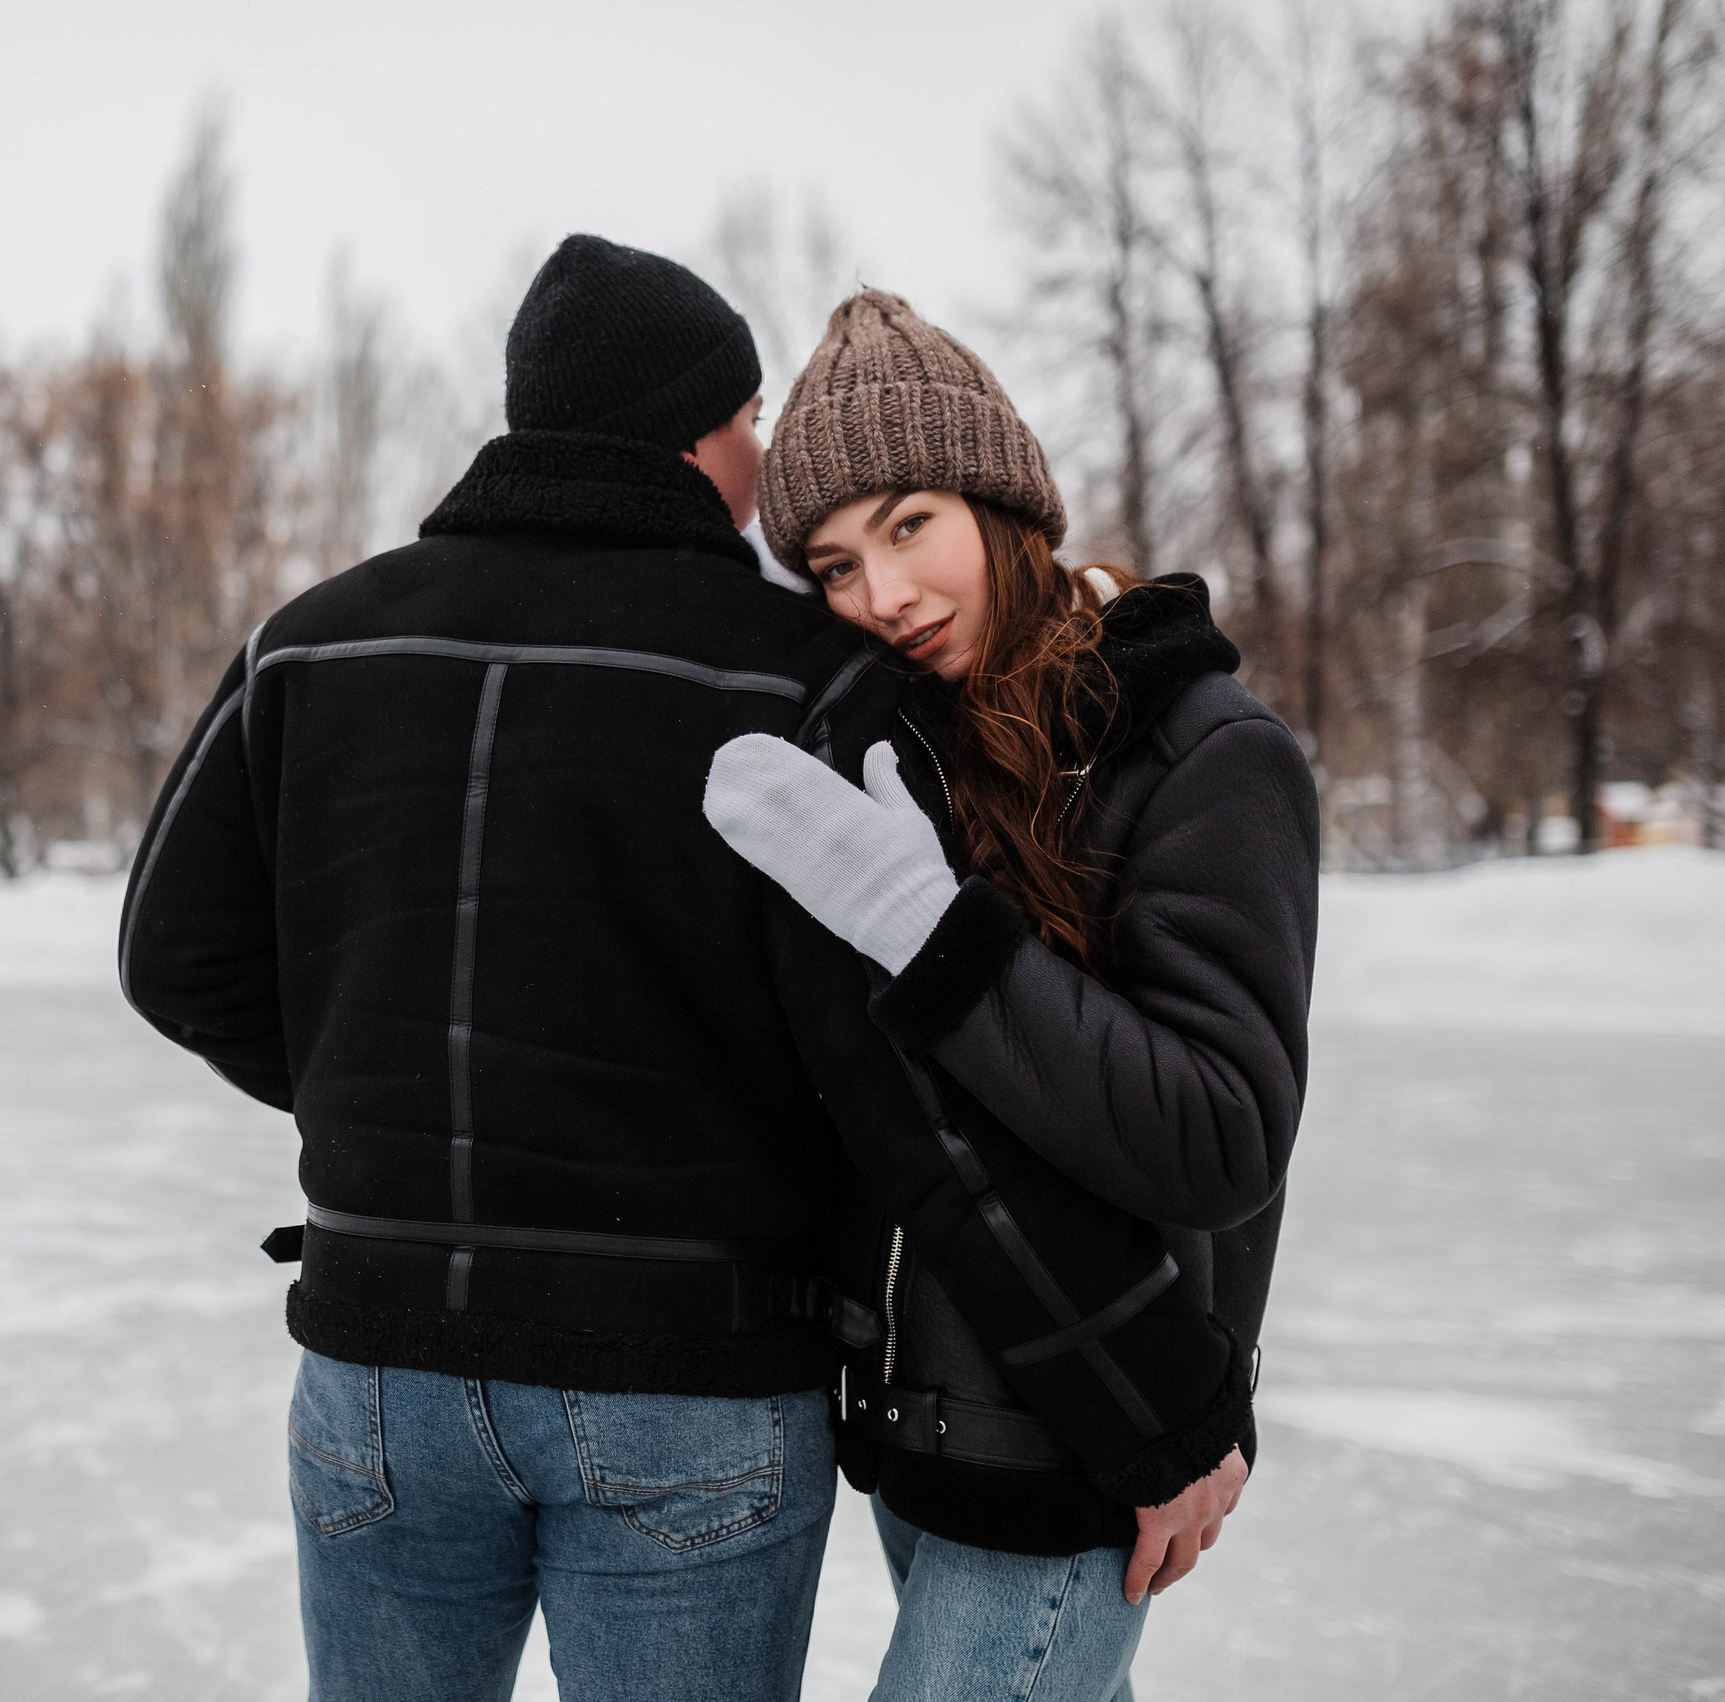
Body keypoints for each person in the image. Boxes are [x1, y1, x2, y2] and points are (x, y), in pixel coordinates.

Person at [122, 238, 1261, 1702]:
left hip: (378, 1373)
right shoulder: (798, 676)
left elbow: (174, 954)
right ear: (699, 430)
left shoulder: (312, 640)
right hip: (684, 1388)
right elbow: (910, 1091)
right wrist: (1157, 1394)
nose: (767, 458)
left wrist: (374, 1098)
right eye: (752, 421)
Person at [703, 290, 1318, 1700]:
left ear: (1001, 500)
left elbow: (1217, 1134)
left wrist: (938, 935)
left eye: (911, 524)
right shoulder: (911, 760)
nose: (884, 598)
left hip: (1083, 1455)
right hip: (919, 1445)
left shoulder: (1205, 756)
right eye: (834, 562)